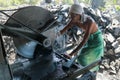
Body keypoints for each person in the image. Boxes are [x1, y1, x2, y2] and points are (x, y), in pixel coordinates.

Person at [59, 0, 104, 73]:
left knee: (85, 56)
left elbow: (84, 40)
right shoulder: (73, 20)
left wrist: (71, 53)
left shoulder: (89, 21)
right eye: (70, 15)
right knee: (81, 55)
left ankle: (90, 72)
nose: (71, 17)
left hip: (96, 40)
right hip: (89, 38)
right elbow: (63, 31)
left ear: (79, 14)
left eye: (73, 15)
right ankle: (83, 70)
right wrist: (53, 36)